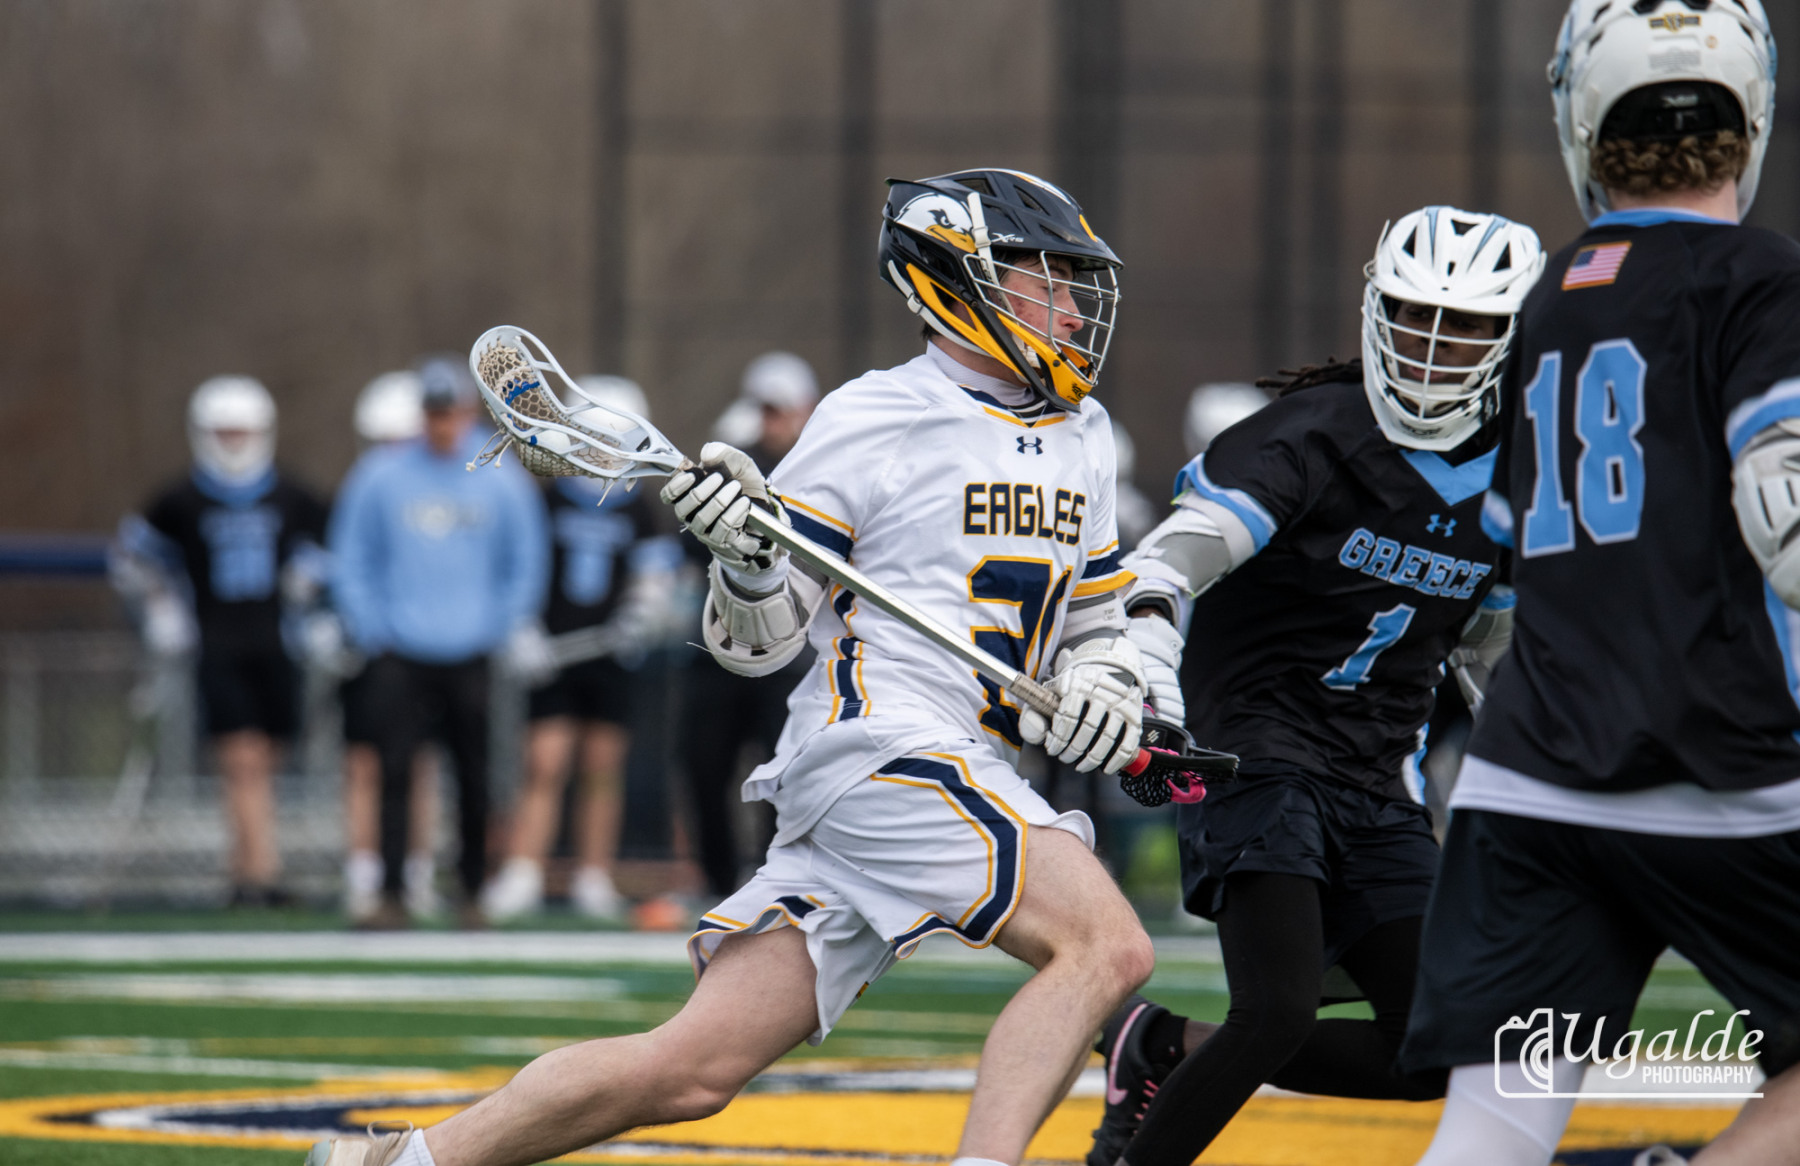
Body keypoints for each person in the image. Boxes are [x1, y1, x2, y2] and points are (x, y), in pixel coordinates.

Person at [306, 167, 1155, 1166]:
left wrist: (1108, 679)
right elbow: (762, 642)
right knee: (1107, 944)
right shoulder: (877, 415)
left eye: (1072, 282)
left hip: (956, 762)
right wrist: (747, 564)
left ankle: (400, 1162)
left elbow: (1096, 615)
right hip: (883, 751)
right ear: (956, 280)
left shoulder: (1086, 433)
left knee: (690, 1071)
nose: (1069, 306)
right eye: (1042, 279)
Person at [1399, 4, 1800, 1165]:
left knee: (1493, 1131)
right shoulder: (1761, 276)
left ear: (1583, 116)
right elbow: (1784, 512)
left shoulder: (1554, 292)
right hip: (1722, 769)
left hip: (1532, 783)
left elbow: (1513, 542)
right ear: (1750, 115)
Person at [1088, 206, 1545, 1166]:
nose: (1433, 344)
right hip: (1255, 752)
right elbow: (1168, 562)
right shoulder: (1309, 434)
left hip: (1378, 778)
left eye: (1465, 324)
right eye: (1416, 315)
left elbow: (1491, 650)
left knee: (1440, 1047)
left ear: (1510, 336)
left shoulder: (1516, 468)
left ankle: (1158, 1044)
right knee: (1276, 1010)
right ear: (1378, 308)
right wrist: (1143, 653)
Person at [329, 355, 549, 929]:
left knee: (474, 775)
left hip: (472, 650)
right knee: (395, 772)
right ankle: (392, 892)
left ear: (469, 412)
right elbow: (352, 557)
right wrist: (370, 627)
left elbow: (524, 559)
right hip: (398, 651)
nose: (443, 424)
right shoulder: (381, 475)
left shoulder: (500, 476)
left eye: (451, 412)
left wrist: (506, 623)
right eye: (433, 413)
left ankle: (472, 890)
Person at [113, 376, 329, 907]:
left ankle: (241, 870)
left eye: (242, 432)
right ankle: (263, 874)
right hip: (217, 645)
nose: (234, 443)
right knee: (241, 760)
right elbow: (133, 560)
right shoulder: (180, 499)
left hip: (278, 645)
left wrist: (314, 594)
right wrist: (161, 610)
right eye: (224, 433)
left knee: (265, 761)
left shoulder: (292, 495)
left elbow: (336, 551)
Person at [482, 376, 683, 923]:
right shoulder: (545, 498)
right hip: (551, 652)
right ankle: (523, 871)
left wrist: (642, 612)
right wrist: (521, 627)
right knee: (544, 762)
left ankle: (594, 875)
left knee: (601, 767)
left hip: (612, 655)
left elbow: (655, 573)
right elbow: (519, 567)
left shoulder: (638, 507)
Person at [679, 352, 820, 903]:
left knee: (782, 772)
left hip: (792, 652)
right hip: (721, 643)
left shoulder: (820, 469)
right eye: (766, 409)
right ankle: (716, 880)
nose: (772, 420)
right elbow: (690, 545)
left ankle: (771, 879)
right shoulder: (729, 469)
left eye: (780, 409)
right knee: (705, 765)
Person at [323, 370, 444, 923]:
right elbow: (345, 567)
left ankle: (415, 871)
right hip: (372, 650)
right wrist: (352, 625)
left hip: (420, 649)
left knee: (419, 764)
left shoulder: (441, 494)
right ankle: (364, 873)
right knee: (364, 762)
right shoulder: (363, 490)